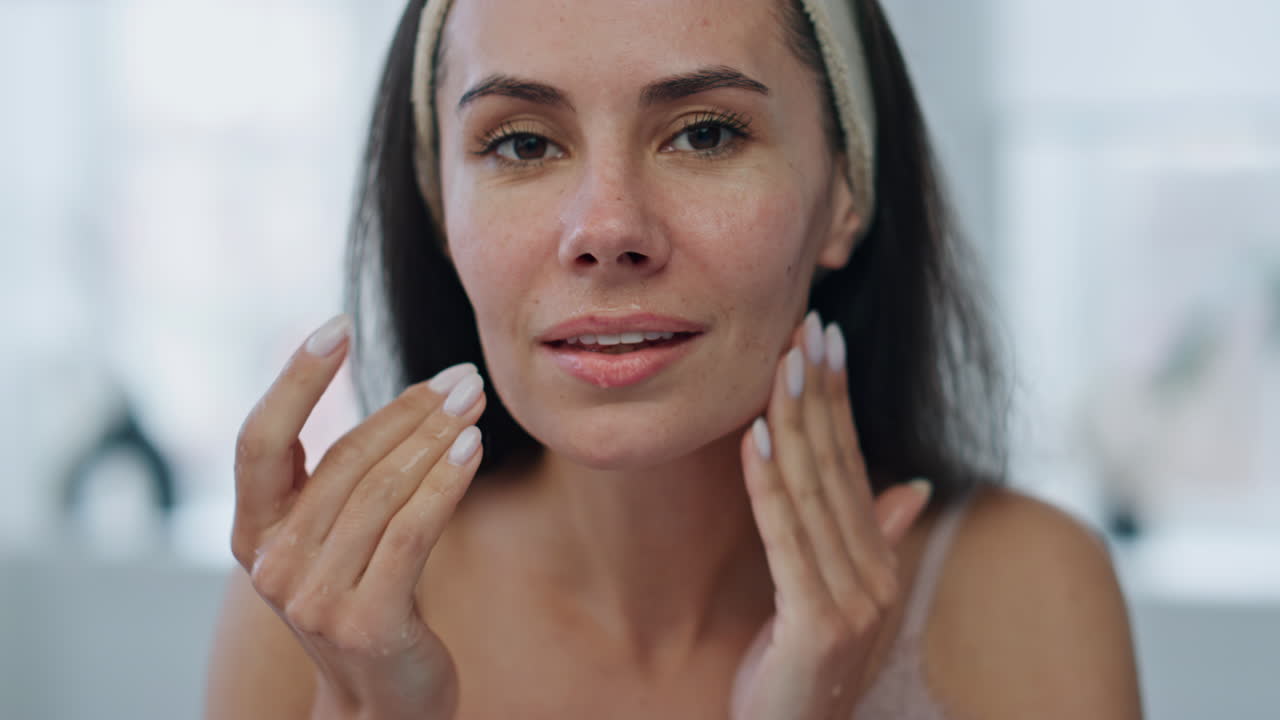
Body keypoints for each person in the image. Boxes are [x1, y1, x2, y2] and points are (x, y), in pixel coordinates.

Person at [206, 0, 1144, 717]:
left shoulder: (1028, 593)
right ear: (439, 205)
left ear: (845, 191)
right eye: (524, 143)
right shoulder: (318, 612)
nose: (608, 229)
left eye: (705, 132)